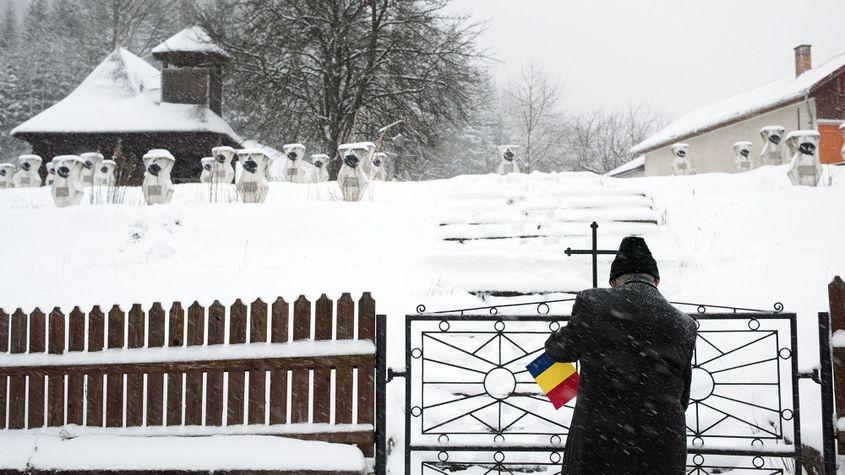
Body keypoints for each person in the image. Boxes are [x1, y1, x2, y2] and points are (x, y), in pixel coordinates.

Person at [545, 236, 696, 474]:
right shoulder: (684, 324)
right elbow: (683, 395)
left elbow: (559, 350)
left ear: (614, 281)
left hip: (603, 435)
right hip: (663, 442)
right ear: (656, 280)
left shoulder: (593, 302)